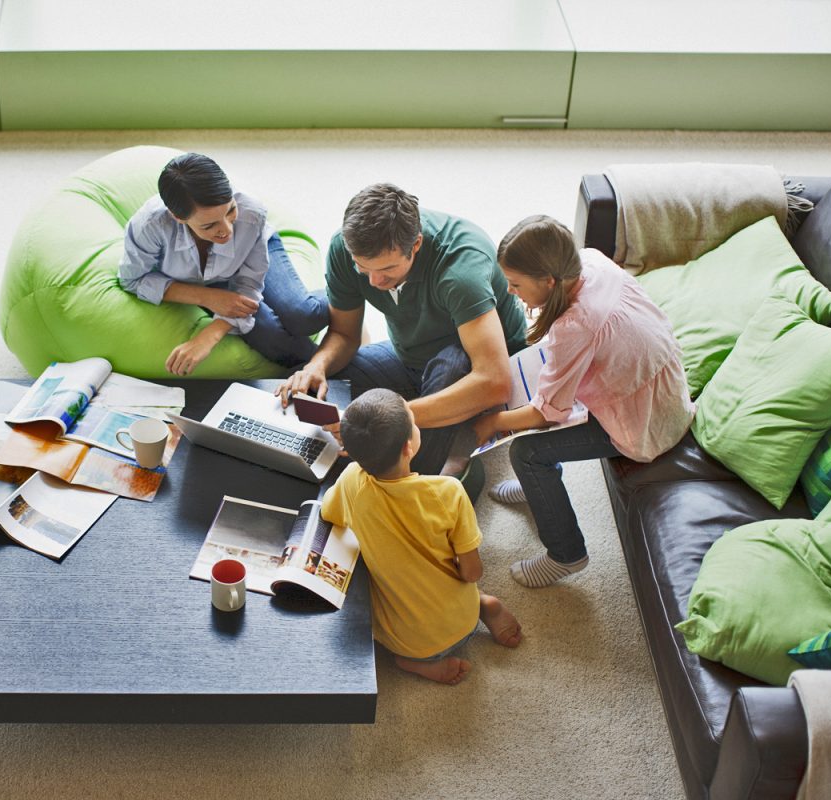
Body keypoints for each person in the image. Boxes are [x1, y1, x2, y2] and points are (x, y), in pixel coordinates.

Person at [473, 215, 696, 588]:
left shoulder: (575, 326)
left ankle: (567, 555)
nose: (510, 292)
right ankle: (537, 489)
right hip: (665, 394)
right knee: (538, 395)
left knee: (526, 453)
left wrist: (492, 423)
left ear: (549, 281)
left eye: (516, 284)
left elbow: (547, 413)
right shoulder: (591, 260)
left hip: (643, 425)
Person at [276, 183, 527, 497]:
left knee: (447, 369)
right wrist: (318, 365)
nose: (374, 281)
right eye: (362, 268)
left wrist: (395, 418)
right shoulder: (344, 248)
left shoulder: (461, 269)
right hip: (410, 357)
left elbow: (494, 382)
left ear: (416, 244)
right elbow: (344, 334)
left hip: (475, 371)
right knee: (320, 385)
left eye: (387, 269)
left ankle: (429, 477)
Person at [320, 388, 523, 685]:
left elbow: (329, 513)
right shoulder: (448, 492)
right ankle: (482, 605)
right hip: (463, 618)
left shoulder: (351, 480)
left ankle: (417, 662)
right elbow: (472, 572)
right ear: (408, 447)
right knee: (451, 584)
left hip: (412, 642)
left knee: (378, 610)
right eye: (414, 422)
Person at [119, 153, 328, 374]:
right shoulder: (150, 226)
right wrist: (206, 297)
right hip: (202, 281)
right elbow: (132, 279)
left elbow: (249, 284)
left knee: (303, 315)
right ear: (178, 217)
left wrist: (211, 333)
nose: (227, 231)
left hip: (253, 252)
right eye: (209, 225)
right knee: (270, 337)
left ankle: (347, 289)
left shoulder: (251, 213)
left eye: (230, 211)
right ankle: (327, 367)